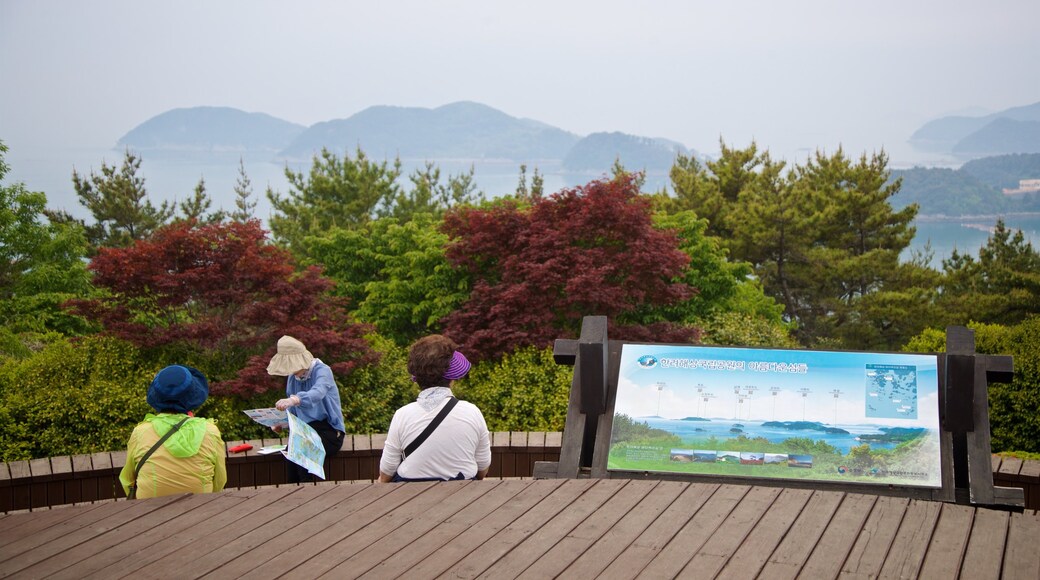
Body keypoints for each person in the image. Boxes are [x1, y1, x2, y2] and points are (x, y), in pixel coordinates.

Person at [379, 335, 491, 482]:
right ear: (452, 377)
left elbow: (387, 471)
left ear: (416, 378)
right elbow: (482, 469)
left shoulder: (402, 415)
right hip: (462, 497)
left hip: (409, 499)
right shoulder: (472, 412)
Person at [119, 365, 227, 499]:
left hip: (148, 513)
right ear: (193, 396)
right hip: (199, 511)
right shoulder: (210, 431)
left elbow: (127, 480)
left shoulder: (141, 432)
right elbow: (219, 481)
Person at [267, 335, 346, 483]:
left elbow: (318, 392)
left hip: (328, 431)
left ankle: (307, 494)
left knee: (301, 452)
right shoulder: (293, 378)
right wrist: (282, 424)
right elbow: (294, 413)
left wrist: (295, 399)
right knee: (291, 456)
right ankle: (295, 495)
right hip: (304, 432)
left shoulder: (322, 371)